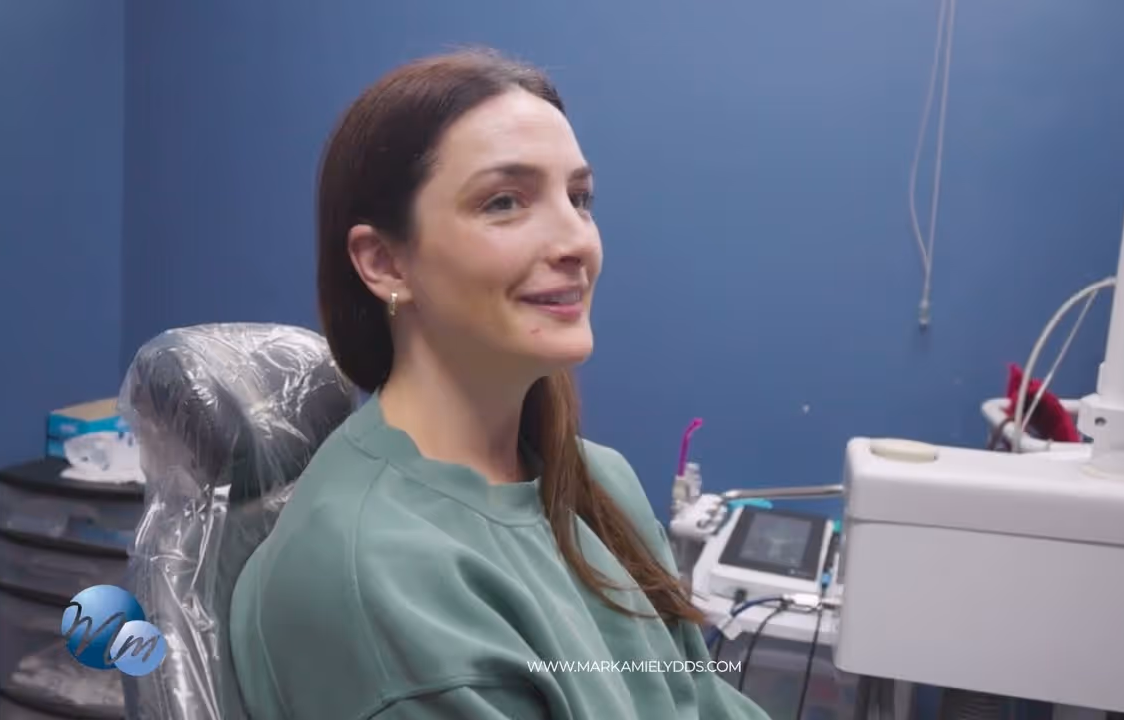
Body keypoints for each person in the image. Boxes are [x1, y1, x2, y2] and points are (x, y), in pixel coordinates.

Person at [228, 50, 772, 720]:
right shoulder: (376, 579)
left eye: (580, 198)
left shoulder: (599, 485)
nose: (576, 239)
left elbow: (699, 700)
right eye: (505, 201)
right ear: (385, 261)